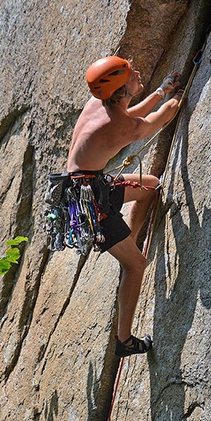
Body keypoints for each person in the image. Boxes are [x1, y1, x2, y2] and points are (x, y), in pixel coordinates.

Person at [66, 56, 182, 357]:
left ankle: (128, 238)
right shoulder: (118, 127)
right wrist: (174, 101)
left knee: (151, 186)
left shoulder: (99, 104)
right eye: (132, 72)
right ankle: (125, 340)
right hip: (91, 207)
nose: (138, 71)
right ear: (120, 88)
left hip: (88, 187)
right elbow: (156, 120)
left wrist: (160, 93)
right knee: (136, 265)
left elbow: (130, 115)